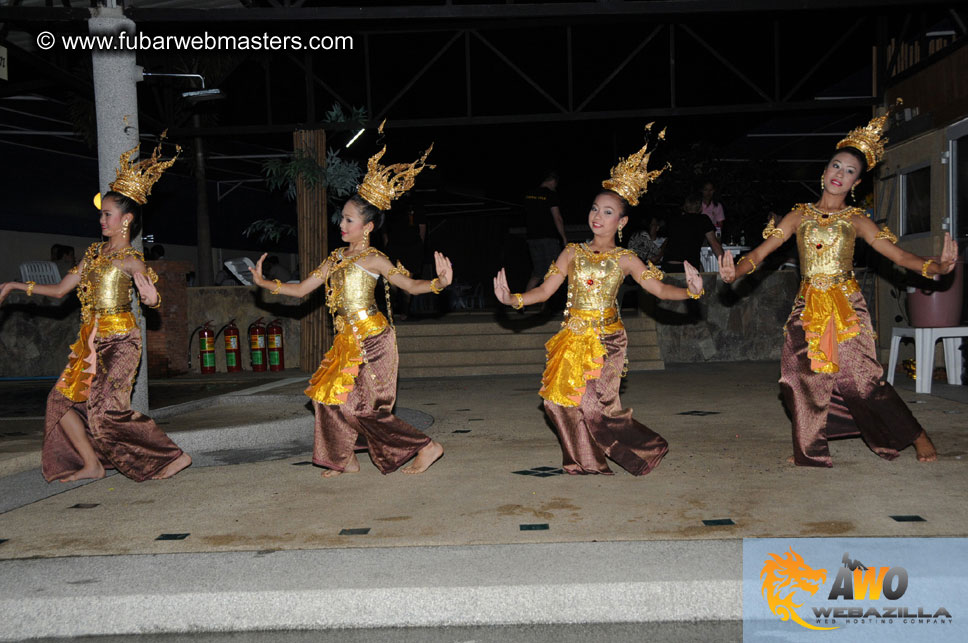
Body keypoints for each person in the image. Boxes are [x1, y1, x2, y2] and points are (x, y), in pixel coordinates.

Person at [718, 103, 956, 467]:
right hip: (808, 307)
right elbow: (761, 253)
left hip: (846, 305)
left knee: (863, 381)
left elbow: (899, 256)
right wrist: (737, 270)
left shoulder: (856, 220)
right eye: (836, 166)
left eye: (849, 172)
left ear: (856, 184)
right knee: (802, 378)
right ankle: (810, 446)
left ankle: (917, 434)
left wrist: (936, 265)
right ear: (824, 171)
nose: (840, 174)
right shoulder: (799, 215)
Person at [493, 125, 703, 475]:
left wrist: (691, 291)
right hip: (572, 337)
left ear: (621, 221)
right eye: (594, 208)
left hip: (607, 340)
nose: (597, 216)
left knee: (594, 408)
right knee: (555, 402)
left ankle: (649, 448)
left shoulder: (625, 257)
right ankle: (585, 461)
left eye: (607, 212)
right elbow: (545, 291)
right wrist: (512, 298)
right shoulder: (571, 252)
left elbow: (659, 290)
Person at [249, 141, 449, 477]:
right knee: (324, 398)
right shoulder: (335, 258)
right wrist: (266, 283)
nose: (341, 224)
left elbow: (411, 286)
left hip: (373, 339)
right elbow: (300, 290)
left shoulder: (375, 259)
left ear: (368, 227)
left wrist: (438, 283)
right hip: (346, 341)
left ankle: (426, 446)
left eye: (349, 219)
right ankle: (345, 459)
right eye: (342, 217)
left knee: (360, 409)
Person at [0, 139, 191, 482]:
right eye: (101, 214)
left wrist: (151, 299)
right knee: (57, 403)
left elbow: (146, 285)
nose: (101, 220)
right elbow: (60, 290)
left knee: (105, 412)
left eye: (107, 214)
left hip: (121, 341)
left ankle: (170, 457)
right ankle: (91, 465)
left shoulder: (130, 258)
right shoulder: (92, 254)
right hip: (90, 341)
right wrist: (16, 286)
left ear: (126, 220)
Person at [524, 170, 567, 292]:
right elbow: (557, 217)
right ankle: (547, 307)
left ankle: (522, 302)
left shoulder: (529, 195)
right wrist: (563, 237)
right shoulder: (551, 195)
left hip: (532, 239)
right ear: (553, 181)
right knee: (554, 272)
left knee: (538, 273)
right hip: (548, 238)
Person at [660, 193, 724, 273]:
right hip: (688, 267)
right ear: (700, 208)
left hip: (668, 265)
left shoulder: (675, 220)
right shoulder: (703, 220)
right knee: (701, 277)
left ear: (685, 207)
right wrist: (726, 265)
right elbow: (715, 244)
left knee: (701, 270)